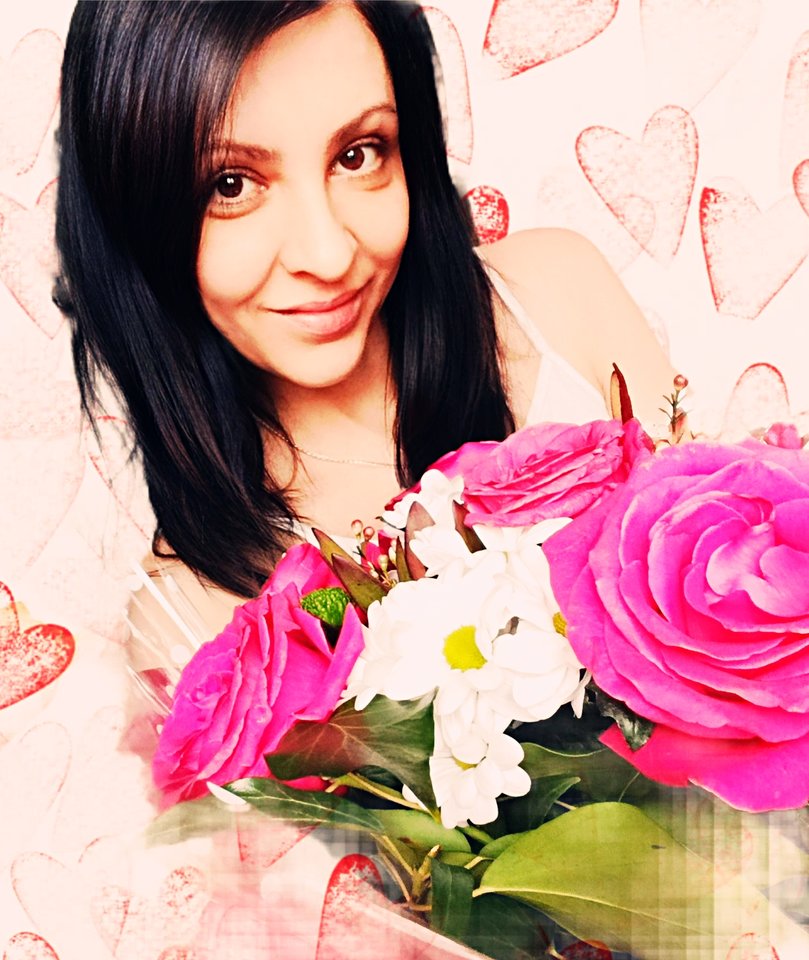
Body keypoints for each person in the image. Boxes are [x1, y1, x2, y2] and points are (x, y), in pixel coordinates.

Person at [56, 0, 675, 638]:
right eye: (232, 185)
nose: (328, 255)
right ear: (133, 215)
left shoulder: (558, 293)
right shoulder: (194, 617)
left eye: (357, 155)